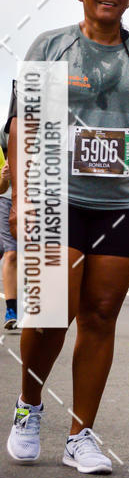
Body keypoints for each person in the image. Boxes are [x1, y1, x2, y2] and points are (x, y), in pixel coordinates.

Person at [6, 0, 129, 474]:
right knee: (50, 311)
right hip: (57, 196)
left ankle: (82, 435)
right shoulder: (54, 46)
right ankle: (29, 411)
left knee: (101, 317)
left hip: (124, 203)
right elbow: (23, 125)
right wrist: (21, 196)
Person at [0, 126, 17, 330]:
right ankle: (11, 310)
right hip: (8, 200)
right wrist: (4, 177)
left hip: (43, 202)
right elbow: (1, 188)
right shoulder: (6, 133)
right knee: (11, 254)